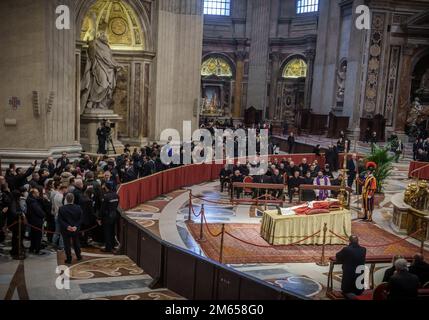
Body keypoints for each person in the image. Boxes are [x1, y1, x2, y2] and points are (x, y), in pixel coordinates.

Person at [58, 193, 83, 264]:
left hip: (66, 230)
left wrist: (67, 226)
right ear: (73, 199)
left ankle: (69, 259)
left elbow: (60, 220)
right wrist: (75, 226)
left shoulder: (62, 208)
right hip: (75, 229)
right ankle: (79, 256)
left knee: (67, 244)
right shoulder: (78, 207)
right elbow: (81, 219)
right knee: (76, 243)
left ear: (65, 199)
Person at [99, 182, 119, 253]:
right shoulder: (116, 195)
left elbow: (103, 209)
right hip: (114, 215)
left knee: (107, 232)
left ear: (106, 187)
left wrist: (99, 218)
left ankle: (108, 248)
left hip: (107, 217)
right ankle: (113, 245)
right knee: (113, 231)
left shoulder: (106, 197)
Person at [26, 188, 46, 255]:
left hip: (32, 221)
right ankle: (37, 249)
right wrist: (43, 215)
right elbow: (39, 211)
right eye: (37, 192)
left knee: (33, 235)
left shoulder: (29, 200)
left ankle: (32, 248)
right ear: (33, 193)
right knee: (38, 236)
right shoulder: (33, 202)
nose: (38, 193)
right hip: (37, 221)